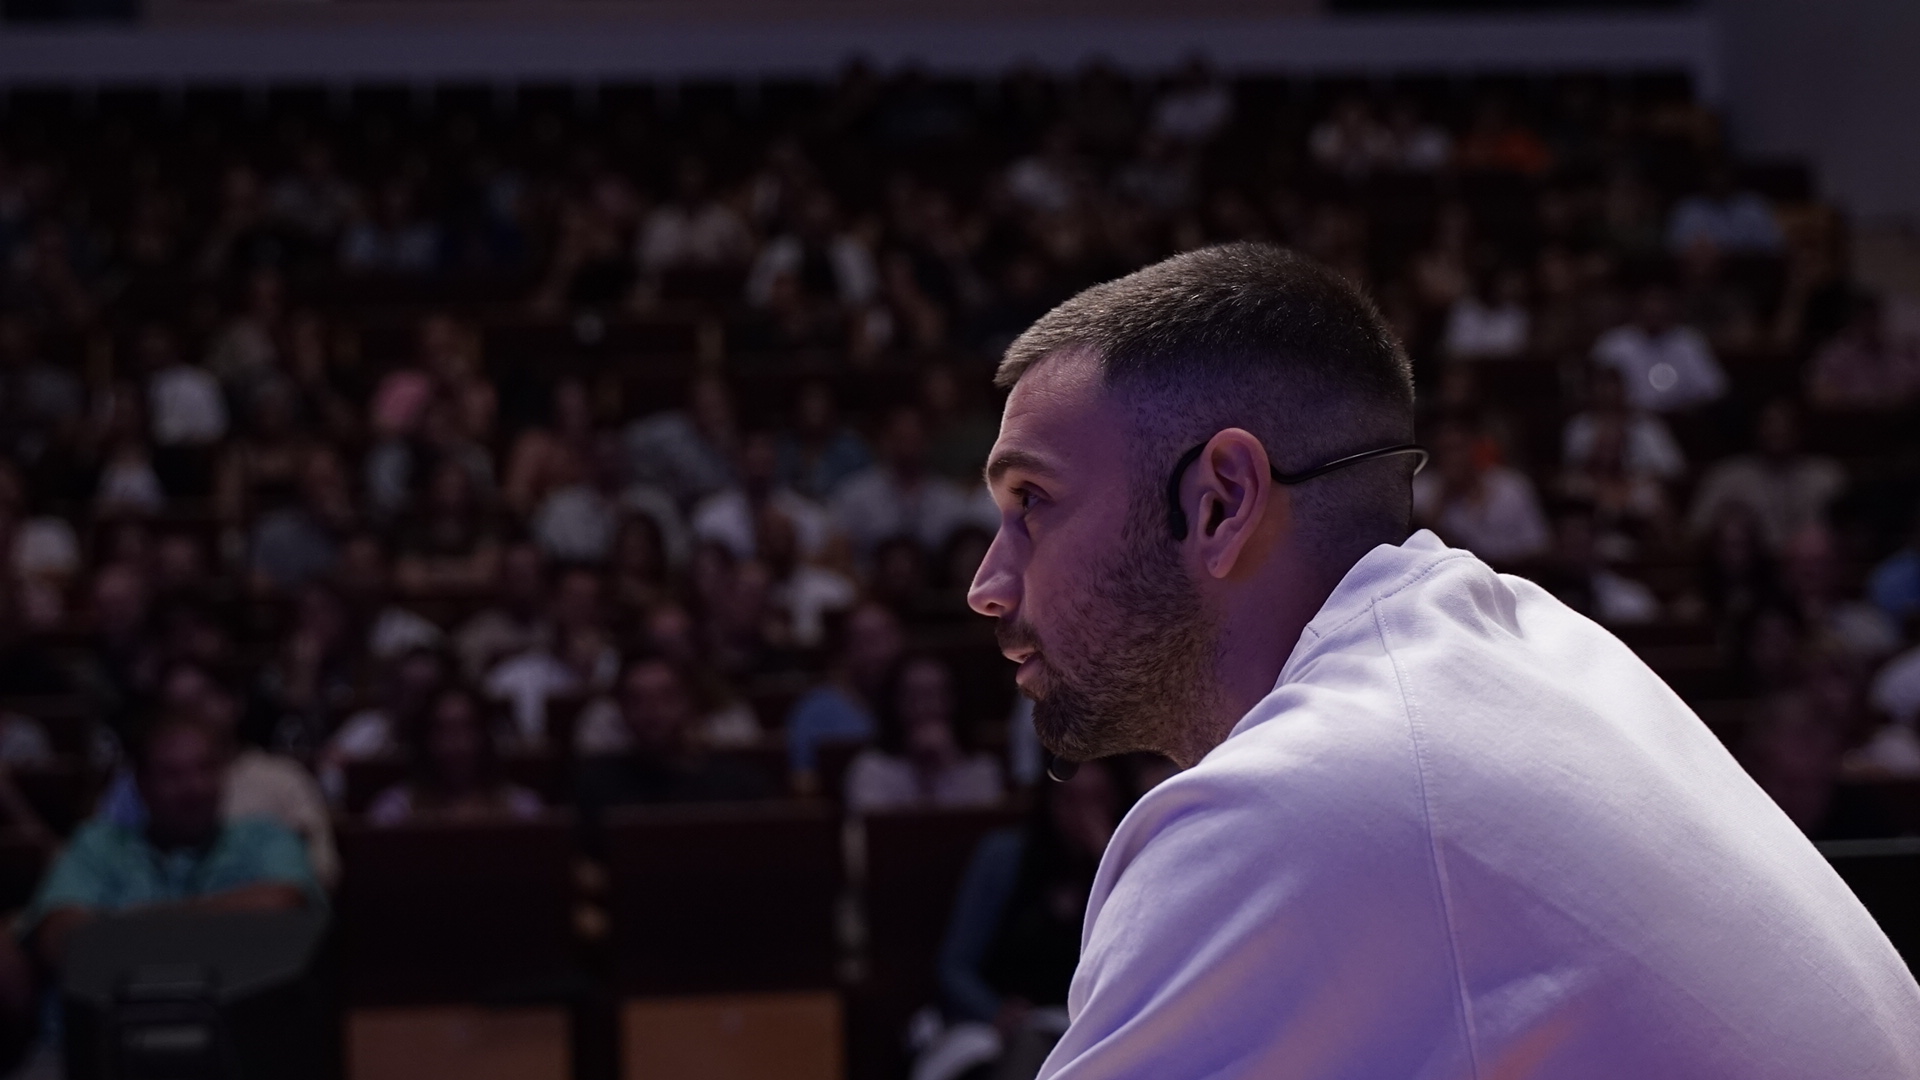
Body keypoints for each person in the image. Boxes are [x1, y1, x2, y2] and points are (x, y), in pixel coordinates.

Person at [966, 244, 1920, 1078]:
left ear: (1218, 503)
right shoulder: (1543, 651)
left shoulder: (1296, 803)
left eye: (1033, 503)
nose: (989, 584)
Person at [22, 714, 323, 971]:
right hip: (116, 1020)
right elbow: (59, 939)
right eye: (172, 774)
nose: (193, 788)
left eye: (205, 769)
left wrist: (133, 923)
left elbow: (285, 910)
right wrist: (217, 924)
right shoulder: (97, 846)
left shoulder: (264, 838)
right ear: (140, 783)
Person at [916, 759, 1126, 1080]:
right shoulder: (1005, 857)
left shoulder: (1128, 871)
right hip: (998, 1027)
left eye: (1096, 800)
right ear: (1050, 800)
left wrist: (1106, 859)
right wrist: (994, 1011)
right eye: (1070, 800)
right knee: (1025, 1048)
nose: (1083, 816)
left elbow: (1138, 962)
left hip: (1084, 1028)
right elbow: (954, 966)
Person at [844, 654, 1002, 813]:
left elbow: (983, 828)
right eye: (913, 696)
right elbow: (876, 830)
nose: (927, 706)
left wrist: (947, 763)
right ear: (895, 704)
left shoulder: (982, 768)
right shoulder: (871, 769)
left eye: (937, 694)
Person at [366, 685, 543, 825]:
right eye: (443, 730)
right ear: (426, 739)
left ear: (484, 736)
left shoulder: (522, 809)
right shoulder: (393, 811)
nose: (454, 743)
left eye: (465, 728)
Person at [1687, 398, 1846, 552]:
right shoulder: (1726, 475)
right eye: (1770, 422)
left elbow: (1850, 537)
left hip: (1814, 571)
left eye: (1785, 422)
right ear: (1756, 427)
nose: (1778, 430)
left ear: (1800, 428)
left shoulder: (1827, 475)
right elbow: (1695, 532)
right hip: (1747, 573)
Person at [1591, 283, 1727, 413]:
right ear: (1636, 304)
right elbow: (1595, 389)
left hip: (1683, 421)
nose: (1654, 308)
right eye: (1650, 301)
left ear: (1672, 304)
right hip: (1630, 421)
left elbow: (1713, 389)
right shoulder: (1613, 343)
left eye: (1660, 301)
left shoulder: (1688, 341)